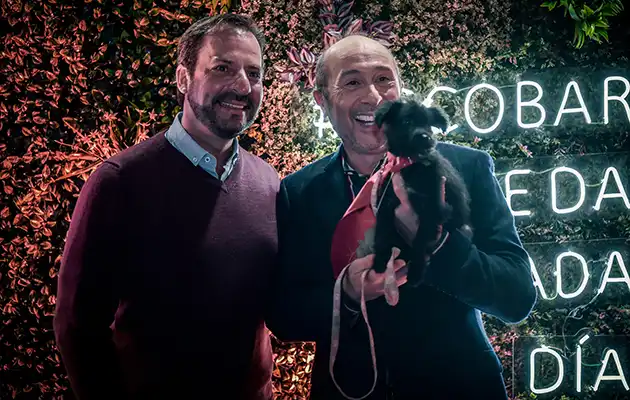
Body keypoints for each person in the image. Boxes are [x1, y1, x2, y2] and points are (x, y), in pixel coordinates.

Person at [266, 35, 537, 399]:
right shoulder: (299, 191)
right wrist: (347, 294)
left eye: (384, 79)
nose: (374, 97)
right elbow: (285, 314)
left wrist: (437, 244)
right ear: (322, 100)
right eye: (352, 82)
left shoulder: (467, 168)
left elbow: (517, 296)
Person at [54, 14, 278, 400]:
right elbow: (77, 325)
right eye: (223, 68)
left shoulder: (269, 182)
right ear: (183, 78)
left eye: (254, 73)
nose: (243, 85)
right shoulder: (120, 182)